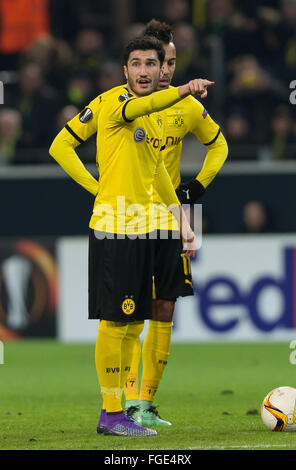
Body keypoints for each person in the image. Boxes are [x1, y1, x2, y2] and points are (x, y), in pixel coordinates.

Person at [49, 35, 212, 437]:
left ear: (160, 70)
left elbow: (157, 169)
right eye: (135, 64)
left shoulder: (150, 118)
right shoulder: (119, 104)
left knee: (133, 323)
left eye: (150, 65)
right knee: (114, 322)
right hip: (114, 229)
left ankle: (123, 411)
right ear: (125, 71)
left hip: (145, 229)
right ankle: (110, 414)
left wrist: (183, 220)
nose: (143, 71)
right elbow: (63, 145)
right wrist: (96, 188)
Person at [123, 19, 228, 427]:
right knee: (130, 311)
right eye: (160, 61)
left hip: (172, 216)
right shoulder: (126, 103)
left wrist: (197, 187)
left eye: (171, 62)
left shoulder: (186, 106)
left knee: (165, 307)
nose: (165, 70)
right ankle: (126, 401)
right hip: (129, 215)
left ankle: (146, 401)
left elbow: (218, 143)